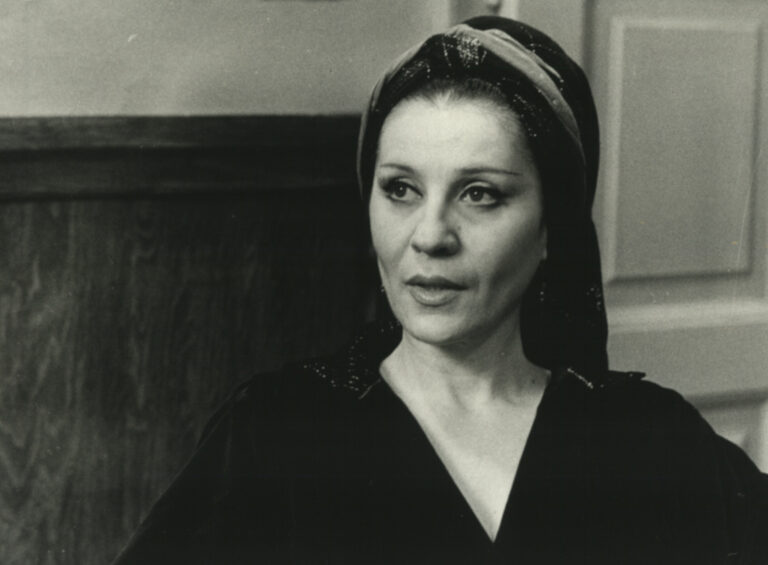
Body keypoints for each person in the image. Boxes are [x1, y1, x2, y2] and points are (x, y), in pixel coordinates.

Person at [113, 16, 768, 565]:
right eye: (401, 189)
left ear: (551, 228)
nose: (429, 236)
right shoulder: (275, 434)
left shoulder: (652, 441)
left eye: (479, 194)